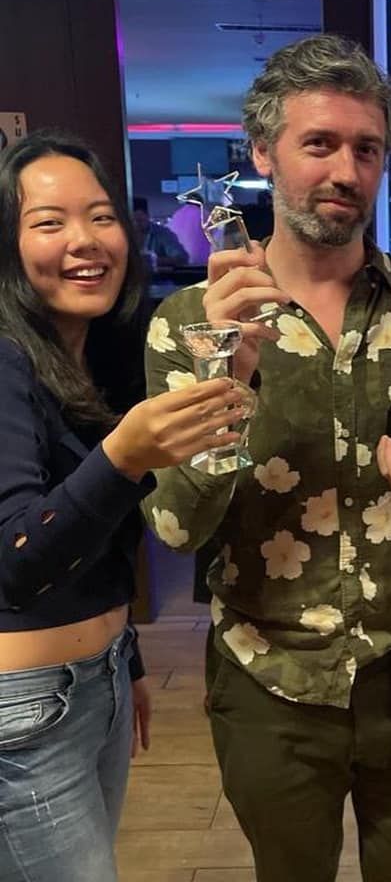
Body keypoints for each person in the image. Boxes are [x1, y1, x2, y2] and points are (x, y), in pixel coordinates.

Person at [141, 34, 391, 882]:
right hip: (271, 681)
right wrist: (230, 373)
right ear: (264, 153)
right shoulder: (190, 321)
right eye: (319, 144)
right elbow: (176, 527)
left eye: (366, 149)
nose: (344, 170)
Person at [0, 131, 246, 881]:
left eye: (101, 217)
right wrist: (123, 456)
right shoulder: (5, 358)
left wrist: (125, 659)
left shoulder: (95, 352)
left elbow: (99, 540)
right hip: (23, 707)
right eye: (48, 223)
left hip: (94, 681)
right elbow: (15, 560)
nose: (84, 241)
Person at [132, 196, 189, 268]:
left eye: (140, 220)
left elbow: (182, 258)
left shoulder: (162, 233)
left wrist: (153, 261)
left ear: (148, 217)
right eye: (132, 221)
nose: (136, 224)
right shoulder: (122, 235)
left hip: (157, 278)